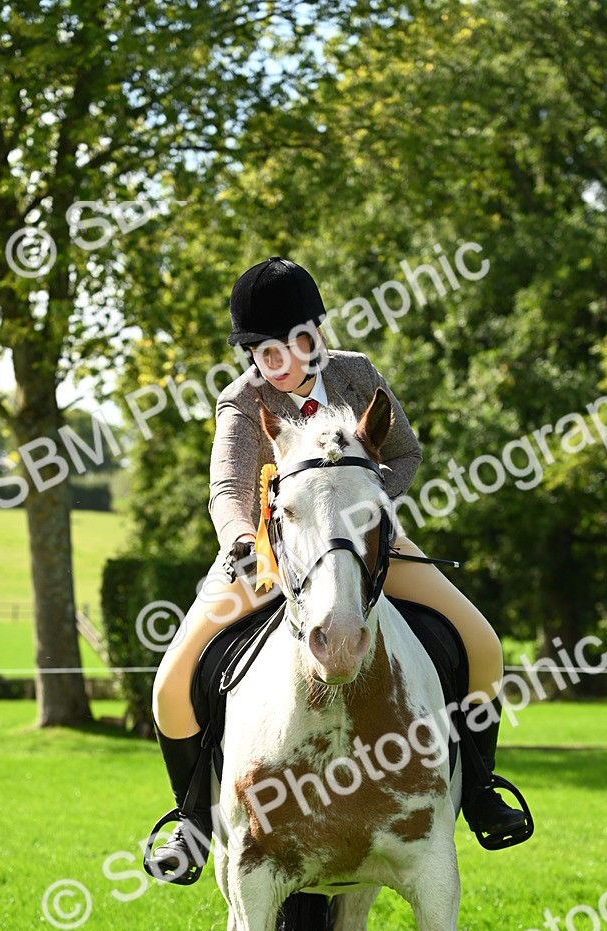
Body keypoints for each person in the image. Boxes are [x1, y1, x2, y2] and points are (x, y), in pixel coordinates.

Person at [150, 257, 529, 884]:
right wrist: (241, 538)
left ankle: (481, 790)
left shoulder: (357, 375)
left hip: (363, 549)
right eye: (270, 351)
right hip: (264, 557)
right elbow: (225, 488)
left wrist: (367, 498)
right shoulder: (244, 402)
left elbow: (404, 452)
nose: (290, 359)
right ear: (254, 354)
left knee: (483, 645)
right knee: (170, 683)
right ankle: (191, 821)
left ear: (317, 331)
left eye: (302, 340)